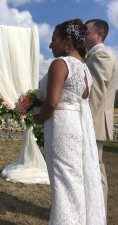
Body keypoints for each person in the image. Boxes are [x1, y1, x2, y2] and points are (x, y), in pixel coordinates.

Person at [33, 19, 106, 224]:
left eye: (54, 39)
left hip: (61, 128)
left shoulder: (60, 64)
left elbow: (52, 103)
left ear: (68, 40)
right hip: (77, 126)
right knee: (75, 181)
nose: (50, 45)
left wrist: (37, 118)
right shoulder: (84, 69)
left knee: (63, 184)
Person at [85, 19, 118, 213]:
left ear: (99, 34)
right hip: (94, 120)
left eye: (86, 31)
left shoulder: (102, 55)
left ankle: (98, 214)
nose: (83, 35)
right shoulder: (93, 55)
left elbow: (95, 93)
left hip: (94, 122)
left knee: (95, 170)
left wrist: (82, 122)